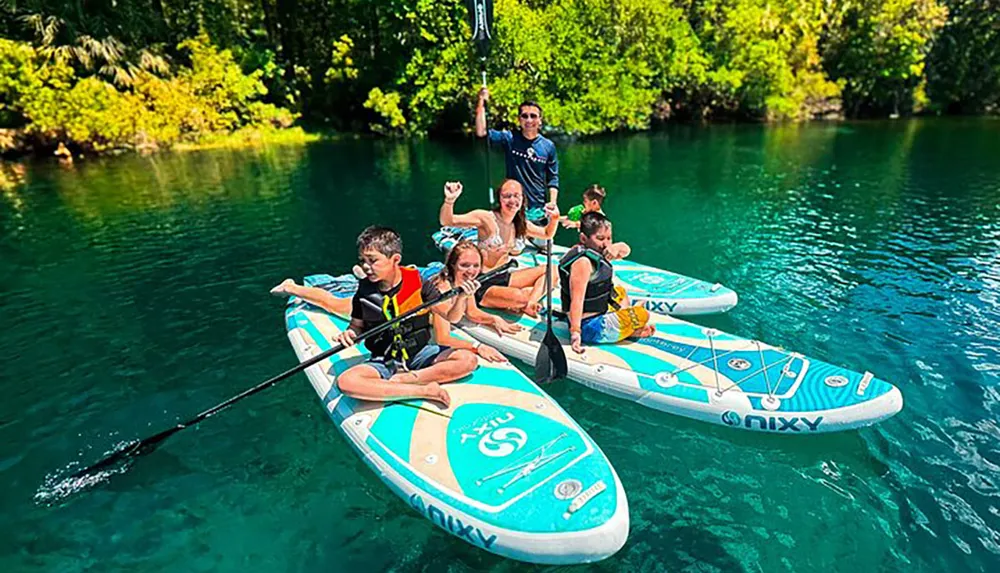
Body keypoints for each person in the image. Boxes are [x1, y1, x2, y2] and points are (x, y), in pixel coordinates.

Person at [273, 226, 478, 408]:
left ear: (395, 259)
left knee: (467, 360)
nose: (366, 266)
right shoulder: (365, 292)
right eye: (363, 261)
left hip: (420, 353)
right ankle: (423, 390)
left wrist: (462, 298)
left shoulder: (419, 284)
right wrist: (349, 334)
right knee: (346, 382)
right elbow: (355, 326)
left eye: (373, 261)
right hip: (385, 360)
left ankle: (406, 380)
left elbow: (450, 317)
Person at [440, 179, 559, 316]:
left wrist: (554, 218)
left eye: (516, 196)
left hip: (504, 275)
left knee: (552, 270)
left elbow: (546, 233)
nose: (512, 200)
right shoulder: (486, 218)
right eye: (507, 196)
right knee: (520, 296)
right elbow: (447, 221)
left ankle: (530, 302)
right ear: (500, 199)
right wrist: (450, 200)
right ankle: (522, 298)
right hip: (483, 281)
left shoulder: (520, 223)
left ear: (522, 199)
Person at [560, 212, 656, 354]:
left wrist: (616, 247)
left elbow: (626, 250)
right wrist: (575, 333)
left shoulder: (598, 252)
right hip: (591, 327)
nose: (605, 243)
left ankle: (625, 319)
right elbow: (577, 300)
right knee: (642, 315)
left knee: (619, 292)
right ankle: (632, 330)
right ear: (583, 238)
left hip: (600, 313)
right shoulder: (583, 262)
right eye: (600, 238)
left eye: (609, 238)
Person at [475, 88, 559, 223]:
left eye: (533, 116)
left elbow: (553, 179)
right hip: (513, 207)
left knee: (541, 241)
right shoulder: (509, 138)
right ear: (519, 119)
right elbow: (481, 132)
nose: (529, 120)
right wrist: (481, 102)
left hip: (538, 209)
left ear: (540, 120)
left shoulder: (548, 146)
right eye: (524, 116)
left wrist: (552, 203)